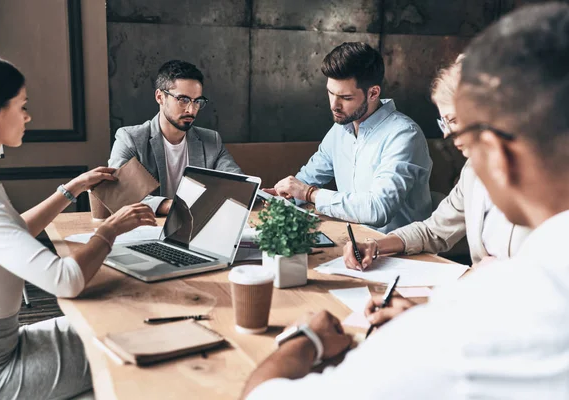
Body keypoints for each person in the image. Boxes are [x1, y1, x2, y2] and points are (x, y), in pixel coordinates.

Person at [242, 3, 569, 398]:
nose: (451, 139)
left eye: (459, 126)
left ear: (501, 155)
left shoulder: (475, 333)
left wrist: (306, 339)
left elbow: (259, 396)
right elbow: (435, 228)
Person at [0, 53, 157, 399]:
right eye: (21, 106)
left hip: (3, 345)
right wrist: (110, 229)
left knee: (132, 323)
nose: (28, 116)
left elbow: (14, 232)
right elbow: (65, 280)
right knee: (141, 351)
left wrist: (71, 189)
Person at [342, 56, 531, 273]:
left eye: (452, 120)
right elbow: (434, 231)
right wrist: (375, 245)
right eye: (443, 122)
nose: (446, 133)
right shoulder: (473, 172)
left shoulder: (551, 176)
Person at [266, 42, 432, 233]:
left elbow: (378, 210)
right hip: (353, 242)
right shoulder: (340, 128)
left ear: (373, 93)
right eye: (330, 93)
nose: (334, 106)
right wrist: (281, 198)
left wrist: (309, 194)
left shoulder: (404, 135)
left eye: (345, 97)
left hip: (401, 253)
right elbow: (308, 178)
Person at [109, 60, 242, 216]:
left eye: (197, 101)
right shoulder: (130, 139)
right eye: (183, 100)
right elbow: (119, 192)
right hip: (147, 228)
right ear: (160, 97)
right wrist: (170, 206)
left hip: (196, 230)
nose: (191, 110)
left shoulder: (211, 140)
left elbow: (236, 184)